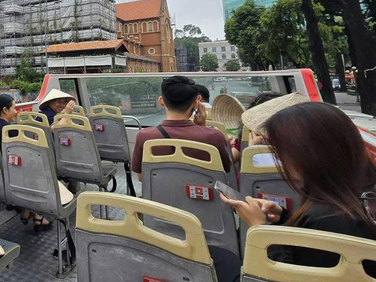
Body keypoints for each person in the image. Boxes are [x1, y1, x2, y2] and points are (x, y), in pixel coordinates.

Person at [220, 102, 376, 278]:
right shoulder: (361, 190)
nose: (278, 157)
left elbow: (289, 274)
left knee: (218, 257)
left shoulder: (325, 219)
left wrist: (260, 229)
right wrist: (284, 217)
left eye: (280, 150)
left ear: (306, 154)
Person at [131, 75, 232, 181]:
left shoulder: (144, 136)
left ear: (161, 101)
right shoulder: (214, 136)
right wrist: (204, 127)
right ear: (195, 104)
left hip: (159, 195)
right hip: (204, 195)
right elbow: (225, 170)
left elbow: (141, 177)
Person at [0, 95, 51, 232]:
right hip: (9, 178)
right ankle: (32, 211)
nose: (16, 112)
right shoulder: (9, 131)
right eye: (14, 108)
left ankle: (31, 213)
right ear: (5, 110)